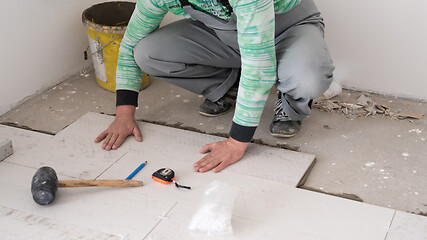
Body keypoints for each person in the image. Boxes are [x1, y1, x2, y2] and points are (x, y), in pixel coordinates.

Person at [95, 0, 334, 173]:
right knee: (147, 53)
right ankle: (228, 83)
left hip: (286, 31)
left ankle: (290, 103)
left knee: (308, 78)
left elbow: (259, 64)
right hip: (227, 37)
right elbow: (129, 45)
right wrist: (123, 115)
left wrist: (235, 143)